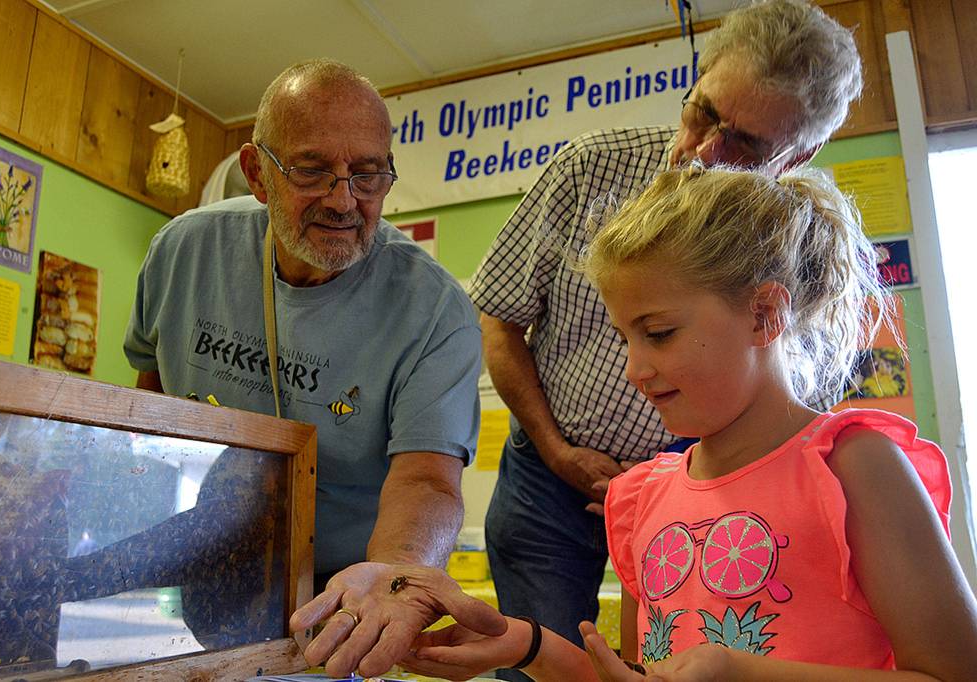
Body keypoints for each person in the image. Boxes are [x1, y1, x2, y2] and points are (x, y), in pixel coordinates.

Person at [399, 165, 977, 681]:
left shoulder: (853, 466)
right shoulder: (639, 498)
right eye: (625, 338)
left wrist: (739, 672)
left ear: (764, 314)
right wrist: (524, 646)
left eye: (658, 333)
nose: (634, 370)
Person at [467, 0, 864, 671]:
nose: (706, 152)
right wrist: (559, 449)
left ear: (803, 151)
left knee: (678, 659)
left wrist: (676, 477)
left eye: (746, 145)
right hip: (549, 470)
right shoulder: (589, 169)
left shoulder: (797, 242)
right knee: (537, 660)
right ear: (699, 74)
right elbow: (499, 319)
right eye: (705, 113)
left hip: (702, 481)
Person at [124, 59, 505, 677]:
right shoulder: (183, 251)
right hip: (211, 560)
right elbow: (148, 395)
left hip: (346, 586)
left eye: (367, 175)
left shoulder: (436, 308)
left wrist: (396, 575)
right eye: (312, 170)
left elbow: (428, 481)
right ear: (256, 172)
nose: (342, 200)